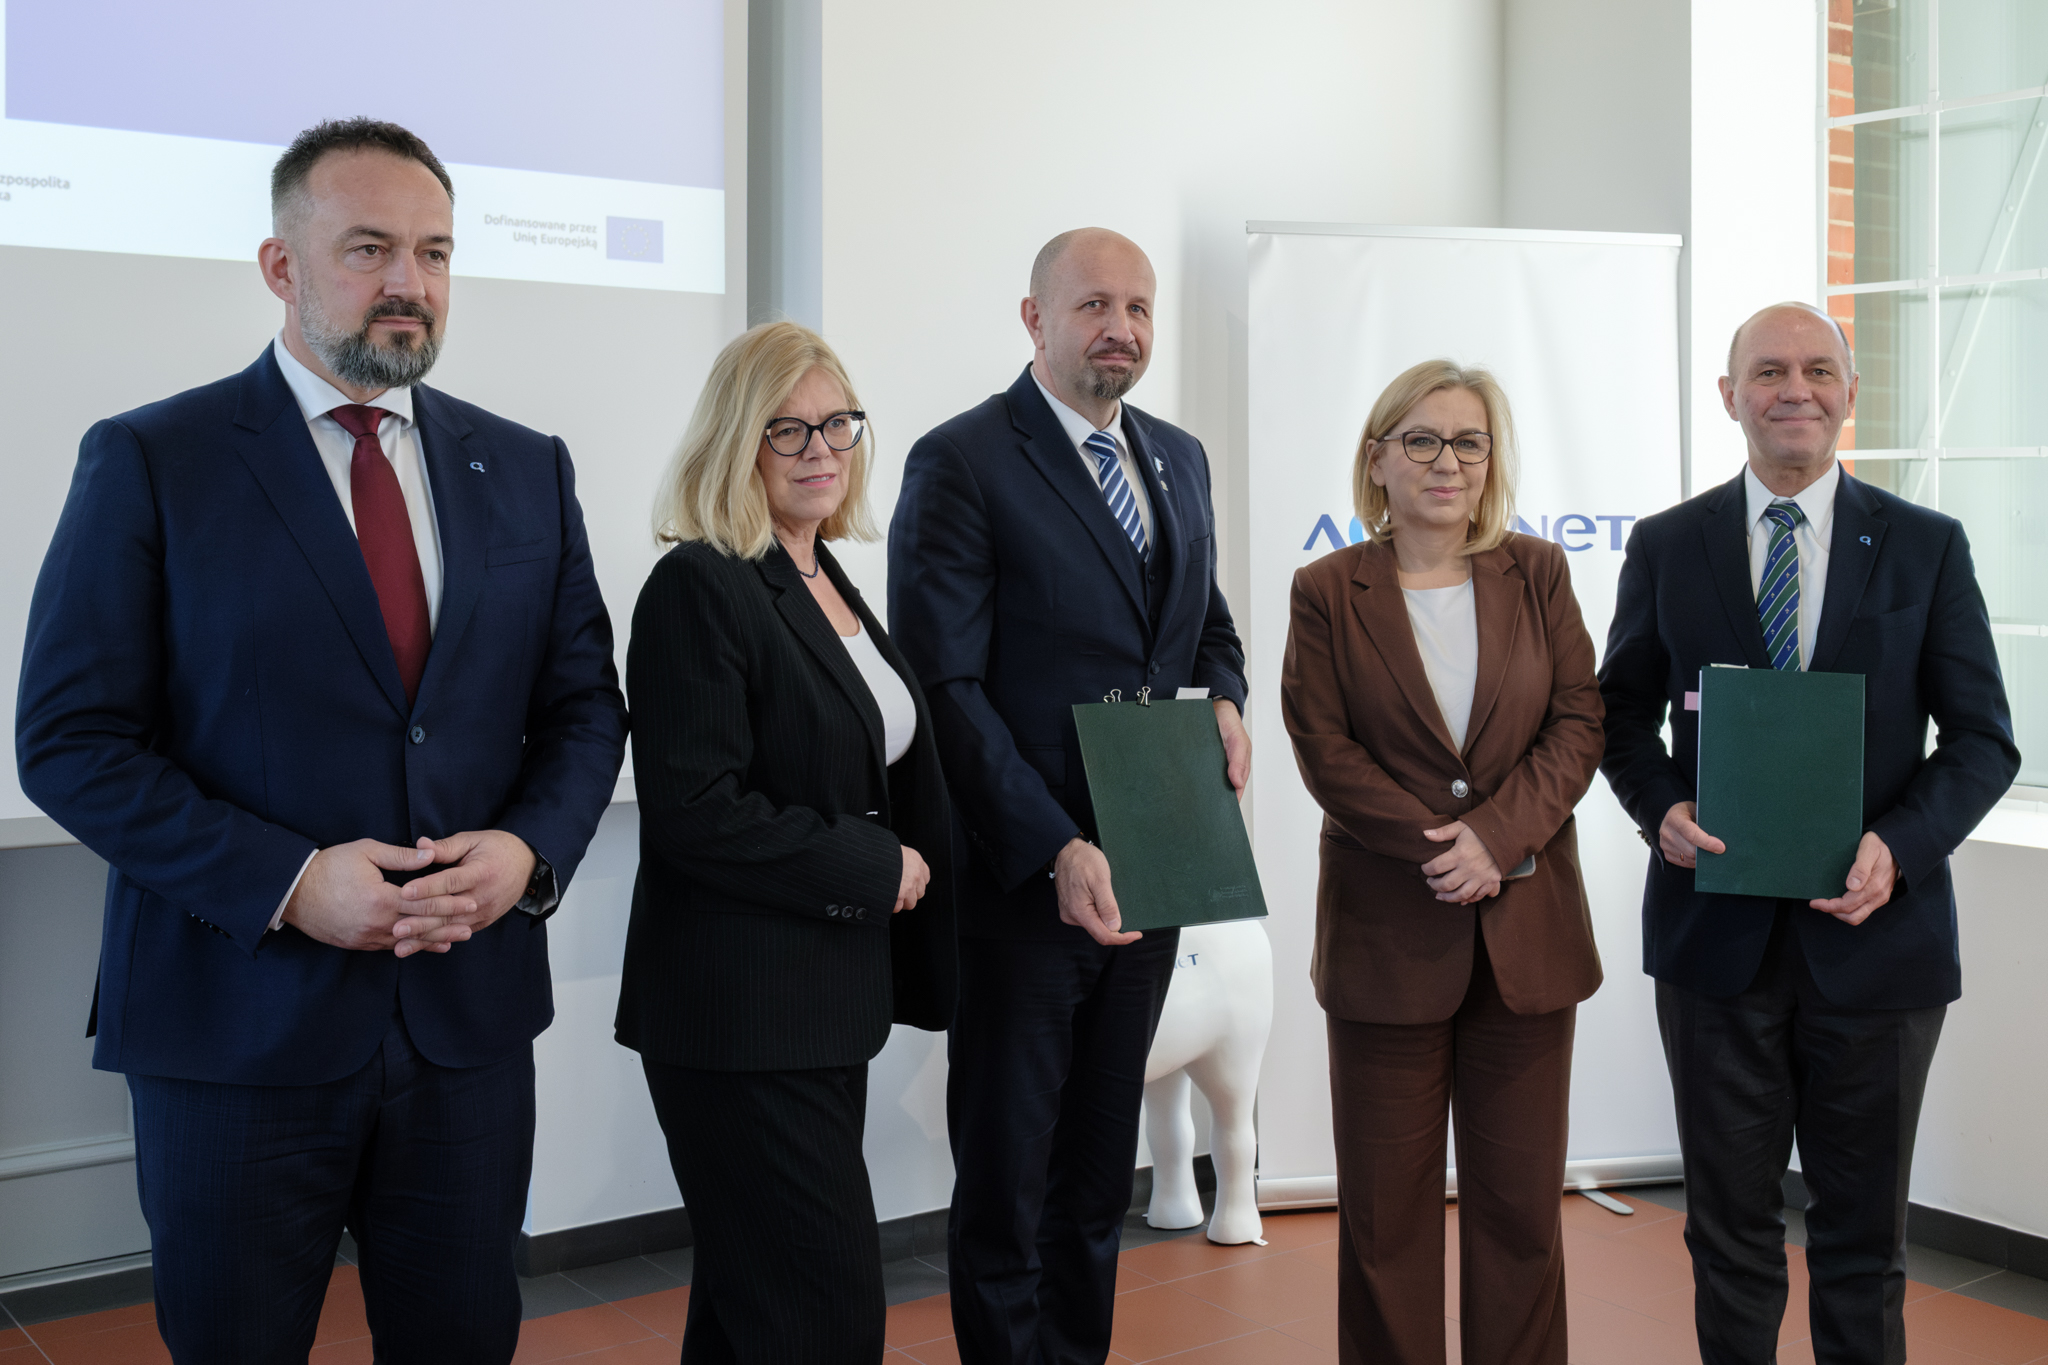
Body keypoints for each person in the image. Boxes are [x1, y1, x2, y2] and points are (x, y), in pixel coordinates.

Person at [14, 119, 628, 1363]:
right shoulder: (153, 459)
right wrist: (290, 884)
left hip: (463, 1025)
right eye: (368, 249)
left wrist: (525, 853)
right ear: (280, 267)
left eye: (434, 252)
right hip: (234, 1029)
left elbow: (584, 709)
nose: (409, 282)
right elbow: (71, 741)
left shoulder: (523, 466)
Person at [1599, 302, 2019, 1365]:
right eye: (1769, 371)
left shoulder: (1926, 547)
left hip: (1878, 944)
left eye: (1818, 370)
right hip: (1713, 946)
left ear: (1850, 393)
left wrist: (1900, 848)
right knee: (1728, 1233)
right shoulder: (1666, 544)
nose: (1795, 389)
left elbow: (1982, 741)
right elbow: (1616, 716)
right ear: (1729, 395)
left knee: (1862, 1244)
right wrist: (1659, 807)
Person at [889, 227, 1250, 1364]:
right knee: (1010, 1181)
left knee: (1097, 1177)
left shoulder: (1178, 457)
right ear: (1034, 318)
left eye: (1138, 308)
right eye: (1093, 305)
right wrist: (1053, 845)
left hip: (1154, 859)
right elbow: (943, 687)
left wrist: (1227, 698)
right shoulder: (961, 459)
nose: (1120, 329)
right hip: (1024, 884)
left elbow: (1206, 626)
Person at [615, 321, 956, 1363]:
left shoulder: (824, 575)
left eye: (838, 423)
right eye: (787, 429)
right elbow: (696, 811)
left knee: (751, 1311)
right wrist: (875, 864)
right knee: (822, 1317)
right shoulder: (700, 584)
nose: (821, 448)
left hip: (824, 1004)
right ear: (736, 440)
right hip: (739, 1018)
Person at [1280, 361, 1604, 1365]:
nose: (1445, 461)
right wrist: (1447, 846)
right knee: (1385, 1225)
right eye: (1420, 439)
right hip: (1386, 941)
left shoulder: (1537, 572)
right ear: (1377, 458)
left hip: (1526, 944)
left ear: (1490, 461)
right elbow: (1323, 746)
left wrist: (1495, 840)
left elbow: (1578, 721)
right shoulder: (1327, 590)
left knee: (1521, 1217)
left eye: (1468, 441)